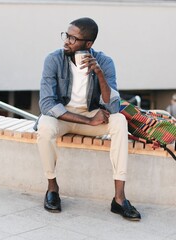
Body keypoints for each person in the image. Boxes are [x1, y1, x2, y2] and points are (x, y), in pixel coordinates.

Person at [36, 17, 141, 221]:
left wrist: (100, 75)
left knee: (119, 121)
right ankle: (52, 188)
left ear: (88, 44)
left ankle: (119, 199)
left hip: (92, 116)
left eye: (73, 38)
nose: (66, 41)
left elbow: (112, 106)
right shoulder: (54, 59)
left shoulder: (105, 62)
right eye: (66, 35)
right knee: (45, 125)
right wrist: (88, 121)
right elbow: (47, 104)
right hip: (63, 116)